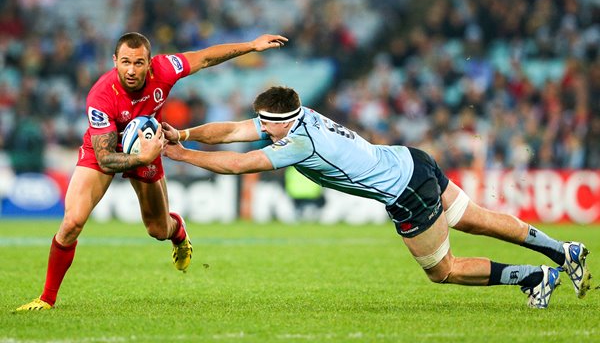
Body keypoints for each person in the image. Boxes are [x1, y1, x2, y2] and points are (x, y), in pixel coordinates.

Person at [162, 86, 592, 309]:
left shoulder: (297, 143)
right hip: (413, 160)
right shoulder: (298, 118)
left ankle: (536, 279)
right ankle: (564, 251)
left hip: (405, 193)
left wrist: (179, 154)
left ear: (281, 121)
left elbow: (238, 164)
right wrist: (183, 133)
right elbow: (234, 131)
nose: (257, 126)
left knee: (444, 271)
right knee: (477, 217)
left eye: (264, 122)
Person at [16, 32, 288, 311]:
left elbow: (205, 57)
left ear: (150, 63)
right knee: (72, 222)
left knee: (158, 230)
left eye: (138, 63)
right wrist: (142, 156)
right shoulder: (100, 96)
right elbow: (106, 158)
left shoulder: (164, 69)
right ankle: (47, 299)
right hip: (105, 151)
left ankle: (178, 231)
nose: (131, 70)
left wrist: (251, 45)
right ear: (114, 61)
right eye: (125, 62)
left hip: (146, 147)